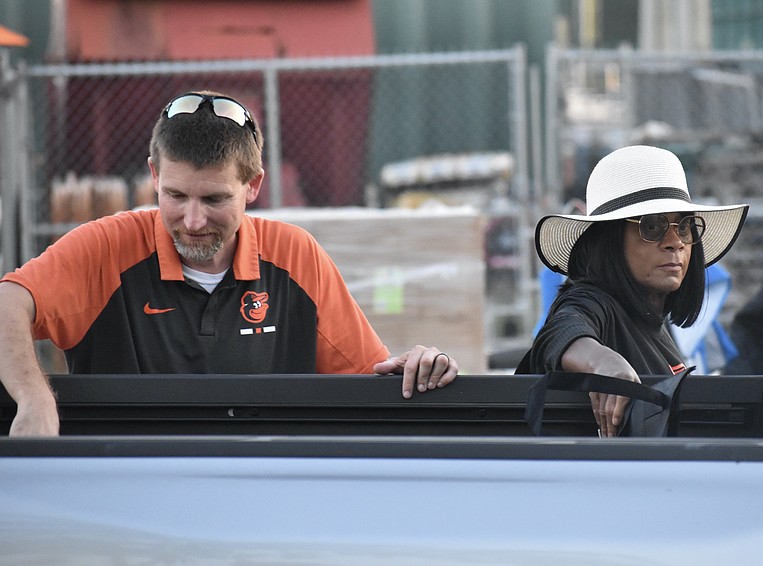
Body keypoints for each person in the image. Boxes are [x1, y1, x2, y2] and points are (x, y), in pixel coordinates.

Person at [0, 90, 458, 437]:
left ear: (253, 185)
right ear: (154, 175)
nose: (192, 220)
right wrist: (34, 397)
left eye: (214, 199)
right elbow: (7, 302)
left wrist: (419, 368)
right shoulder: (106, 247)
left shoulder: (296, 256)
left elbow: (369, 381)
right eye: (175, 195)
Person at [528, 145, 748, 437]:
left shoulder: (652, 317)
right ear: (609, 239)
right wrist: (604, 363)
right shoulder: (593, 301)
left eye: (684, 227)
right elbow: (561, 331)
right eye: (652, 226)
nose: (675, 242)